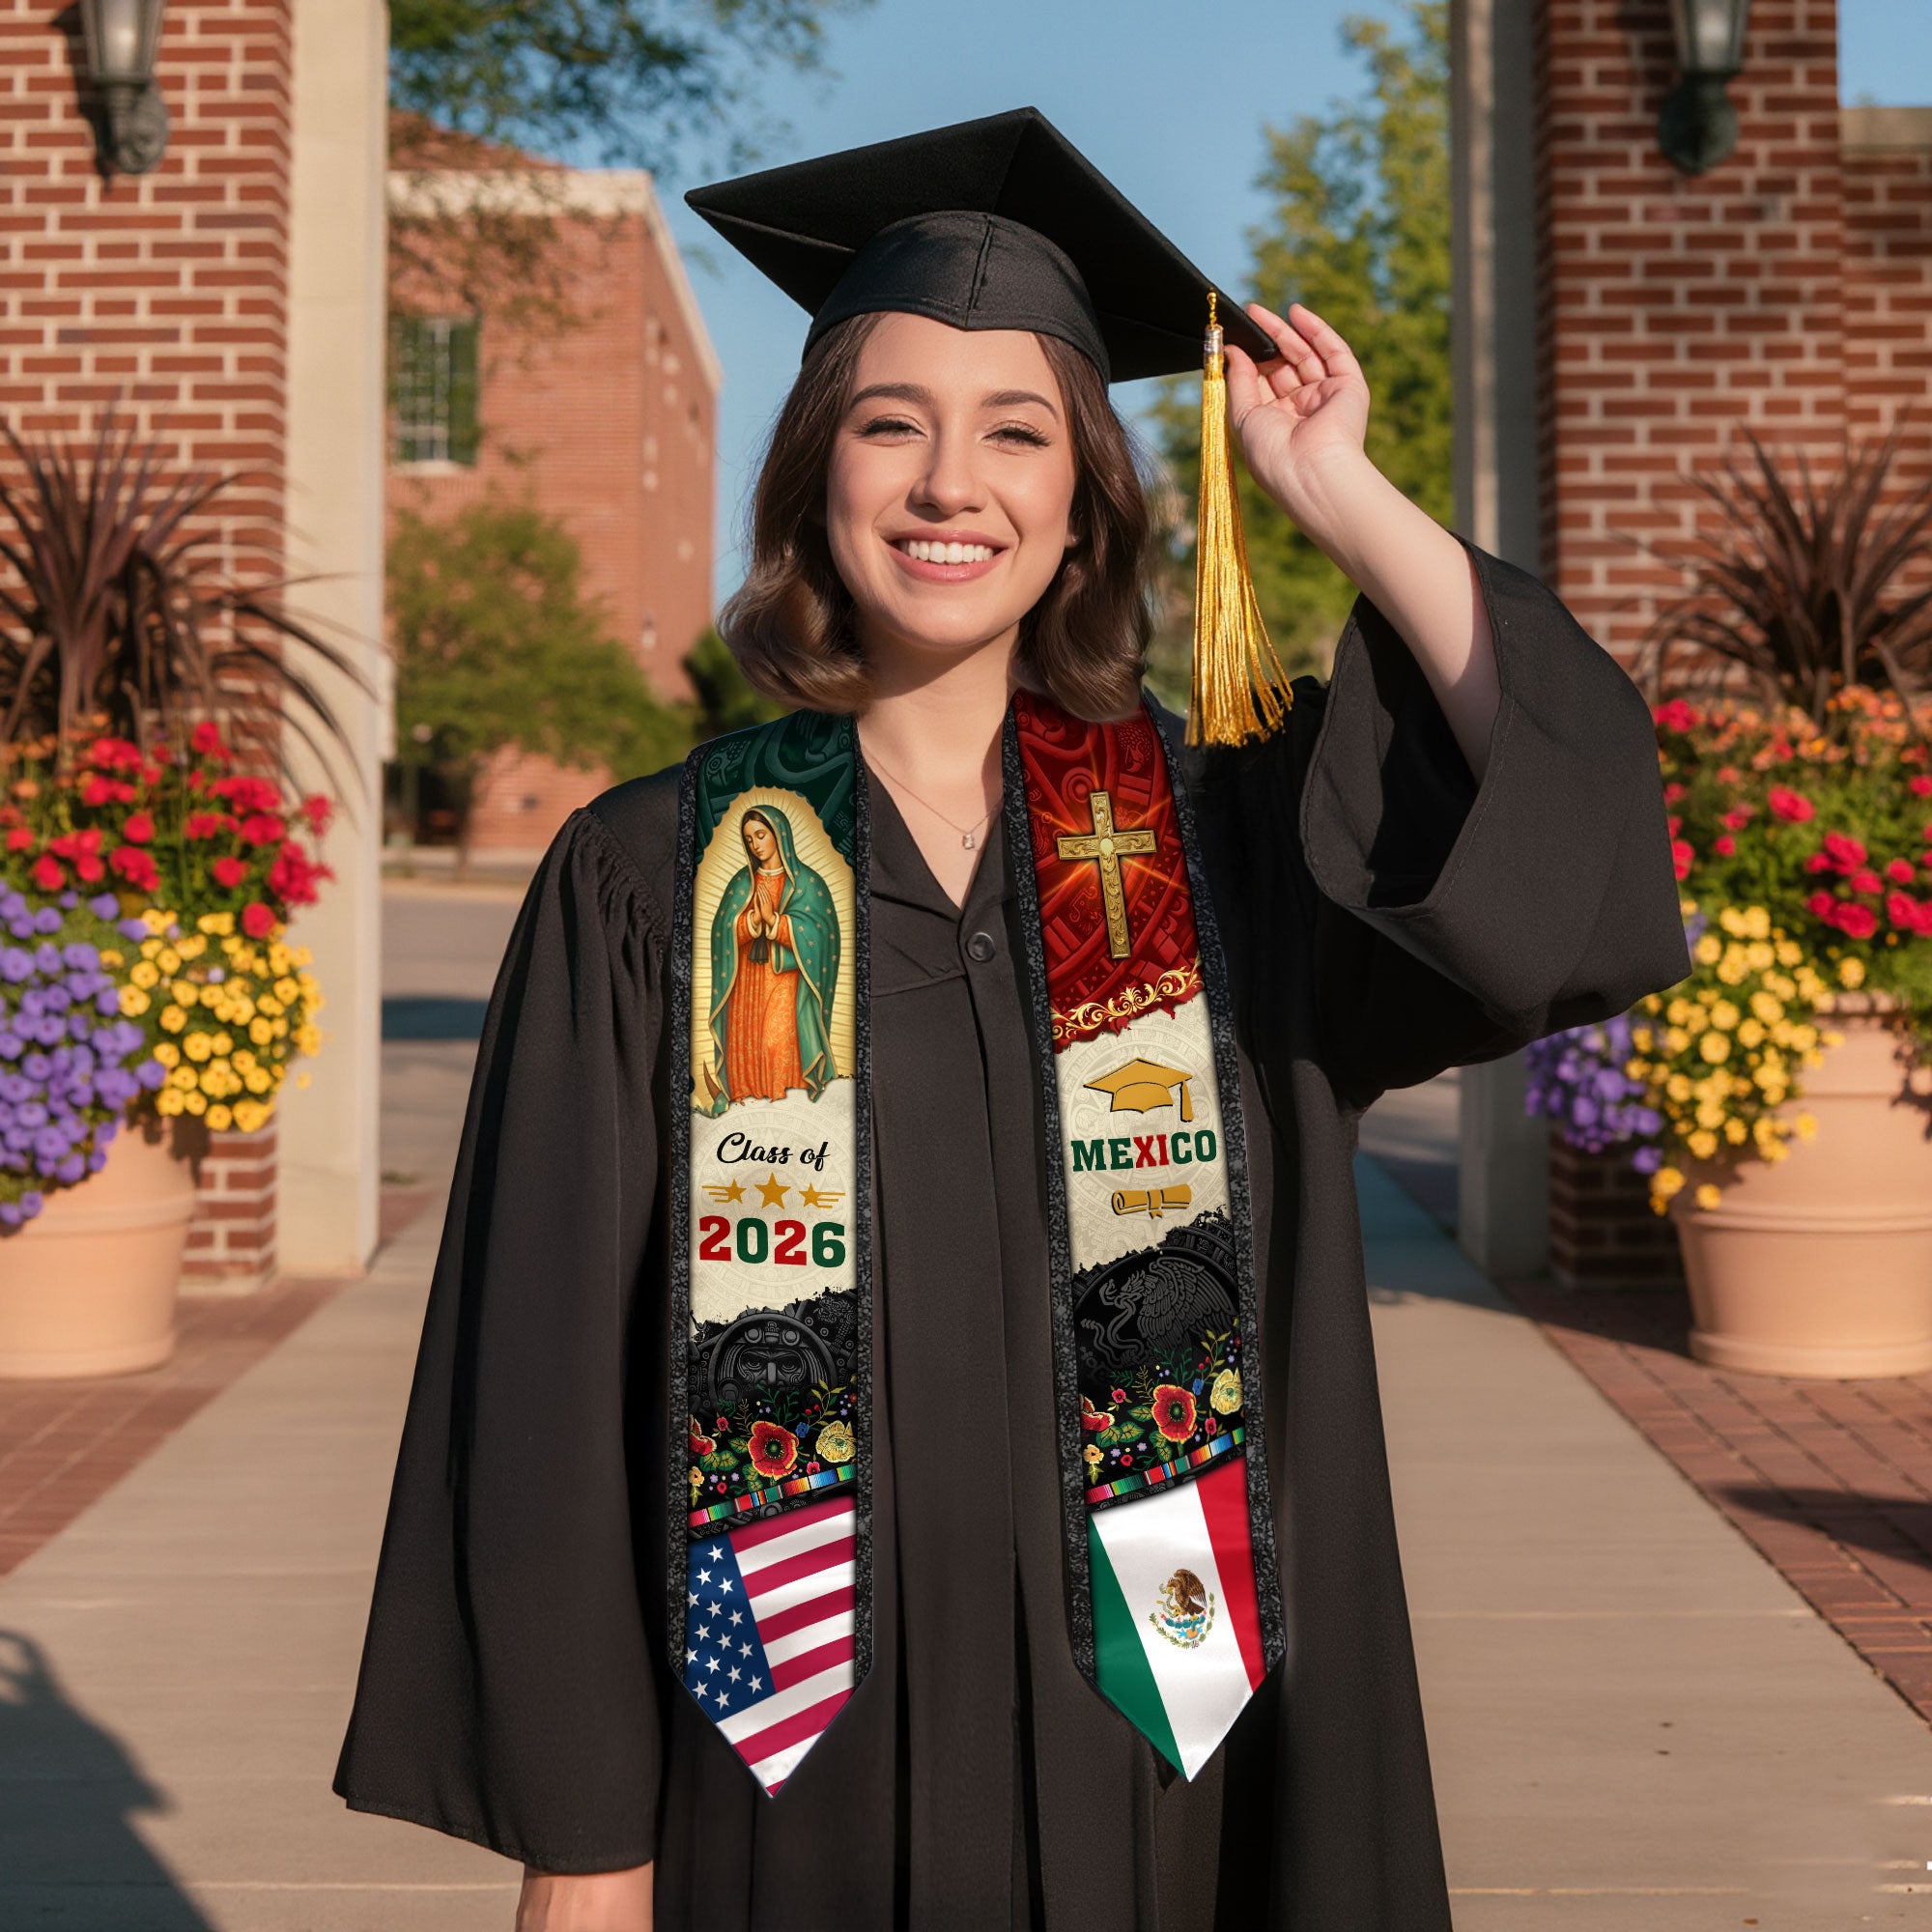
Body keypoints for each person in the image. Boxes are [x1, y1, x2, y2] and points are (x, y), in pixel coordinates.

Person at [332, 109, 1690, 1931]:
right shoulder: (654, 877)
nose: (948, 483)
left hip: (1179, 1776)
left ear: (1084, 504)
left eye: (1016, 433)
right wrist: (585, 1848)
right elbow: (545, 1392)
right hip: (776, 1788)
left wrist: (1335, 490)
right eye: (892, 424)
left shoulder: (1230, 854)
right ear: (818, 471)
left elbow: (1559, 843)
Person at [706, 805, 839, 1112]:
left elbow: (822, 936)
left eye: (761, 835)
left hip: (786, 981)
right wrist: (752, 922)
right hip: (745, 984)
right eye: (749, 839)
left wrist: (777, 922)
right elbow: (722, 932)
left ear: (779, 834)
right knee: (747, 1046)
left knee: (775, 1045)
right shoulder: (742, 882)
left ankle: (784, 1113)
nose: (755, 844)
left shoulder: (807, 883)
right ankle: (746, 1115)